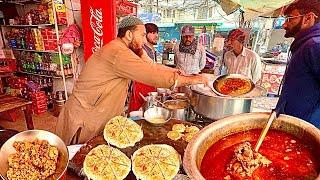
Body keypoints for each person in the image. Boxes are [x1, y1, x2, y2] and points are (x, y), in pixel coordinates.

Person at [55, 16, 209, 145]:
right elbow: (154, 76)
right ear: (129, 34)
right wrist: (196, 79)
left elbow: (151, 65)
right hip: (84, 118)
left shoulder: (128, 49)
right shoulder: (118, 53)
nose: (144, 40)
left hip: (97, 114)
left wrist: (172, 70)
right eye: (142, 35)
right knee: (81, 163)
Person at [276, 0, 320, 127]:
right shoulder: (305, 44)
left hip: (306, 128)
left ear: (308, 18)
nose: (284, 25)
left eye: (290, 19)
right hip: (294, 123)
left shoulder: (315, 45)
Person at [128, 23, 158, 112]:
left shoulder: (152, 50)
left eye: (156, 32)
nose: (156, 35)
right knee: (137, 112)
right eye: (152, 32)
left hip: (151, 85)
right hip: (140, 87)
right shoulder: (141, 50)